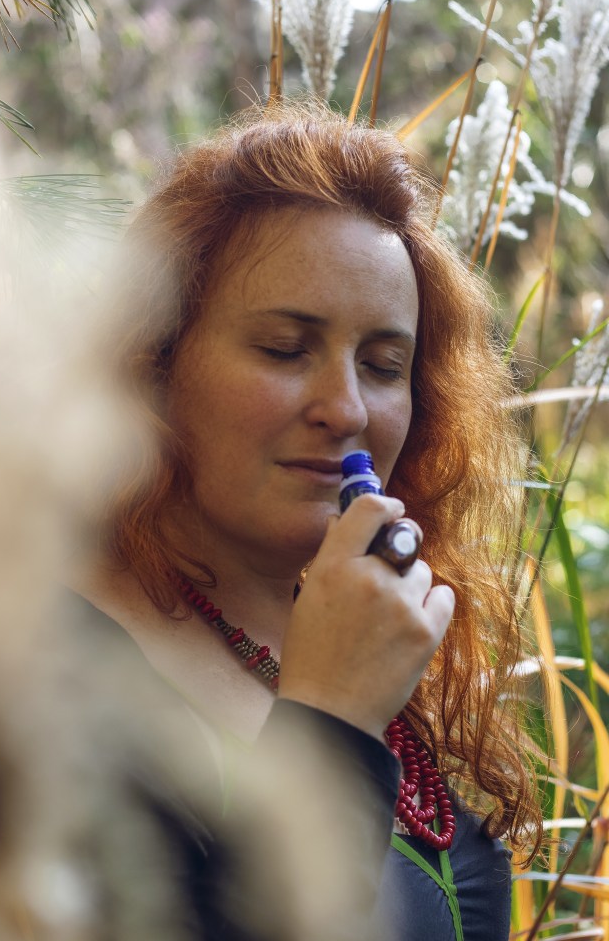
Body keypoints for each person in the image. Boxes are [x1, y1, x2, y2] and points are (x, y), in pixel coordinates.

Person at [77, 101, 542, 941]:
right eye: (285, 349)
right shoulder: (49, 660)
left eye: (384, 365)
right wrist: (332, 719)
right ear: (153, 363)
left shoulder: (379, 632)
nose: (347, 408)